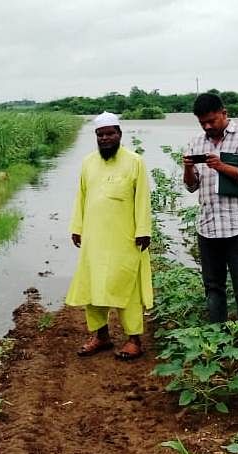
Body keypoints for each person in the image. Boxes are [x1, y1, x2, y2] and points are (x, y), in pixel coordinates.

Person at [67, 112, 153, 360]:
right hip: (94, 238)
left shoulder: (135, 161)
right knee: (93, 286)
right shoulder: (88, 163)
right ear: (96, 136)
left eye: (110, 134)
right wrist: (77, 227)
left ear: (119, 134)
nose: (105, 138)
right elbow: (81, 196)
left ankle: (134, 340)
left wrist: (143, 231)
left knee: (127, 287)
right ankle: (100, 335)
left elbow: (142, 199)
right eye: (100, 135)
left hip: (124, 238)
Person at [181, 92, 238, 325]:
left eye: (212, 121)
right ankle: (217, 340)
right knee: (213, 288)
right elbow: (191, 187)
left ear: (224, 113)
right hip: (207, 227)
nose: (208, 126)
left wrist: (221, 166)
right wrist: (187, 168)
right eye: (202, 123)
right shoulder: (196, 142)